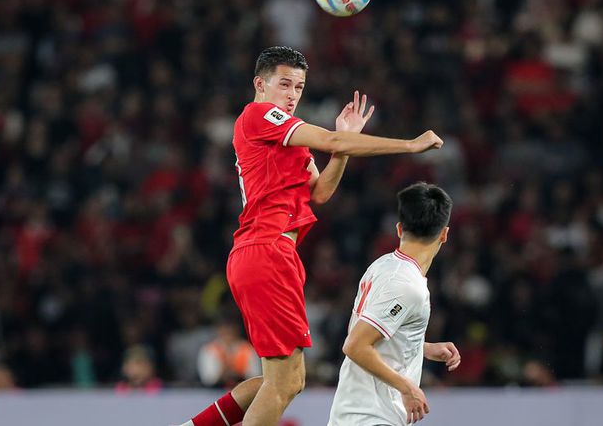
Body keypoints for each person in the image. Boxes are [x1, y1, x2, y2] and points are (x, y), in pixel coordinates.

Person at [177, 46, 443, 426]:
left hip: (267, 253)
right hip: (267, 250)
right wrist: (409, 145)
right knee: (285, 384)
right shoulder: (259, 115)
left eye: (298, 87)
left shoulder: (287, 135)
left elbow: (319, 192)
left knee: (281, 380)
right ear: (260, 84)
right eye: (284, 84)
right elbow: (332, 141)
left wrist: (344, 145)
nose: (291, 95)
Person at [328, 182, 461, 425]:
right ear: (444, 234)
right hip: (371, 415)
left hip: (359, 414)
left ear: (399, 229)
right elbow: (355, 345)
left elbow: (376, 337)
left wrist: (422, 348)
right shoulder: (405, 285)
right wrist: (406, 387)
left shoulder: (384, 265)